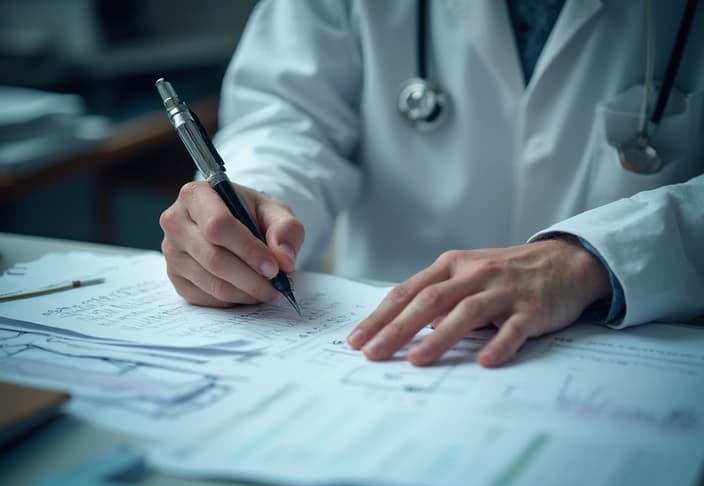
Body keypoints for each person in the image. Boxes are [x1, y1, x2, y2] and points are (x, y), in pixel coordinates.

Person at [159, 0, 704, 368]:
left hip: (642, 359)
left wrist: (598, 259)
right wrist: (254, 204)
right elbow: (288, 112)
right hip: (389, 352)